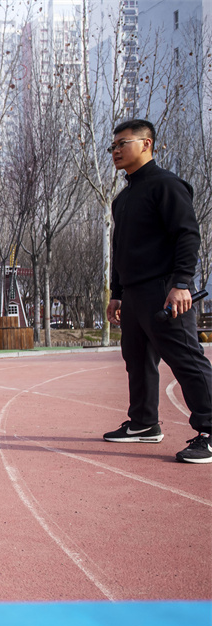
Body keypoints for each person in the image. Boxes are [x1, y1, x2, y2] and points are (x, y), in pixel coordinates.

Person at [103, 118, 211, 464]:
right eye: (113, 146)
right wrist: (116, 292)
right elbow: (120, 248)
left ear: (146, 144)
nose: (116, 151)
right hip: (134, 294)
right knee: (136, 360)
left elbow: (187, 235)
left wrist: (181, 283)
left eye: (123, 143)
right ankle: (144, 424)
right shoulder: (123, 199)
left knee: (186, 359)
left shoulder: (167, 185)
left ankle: (209, 430)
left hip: (165, 288)